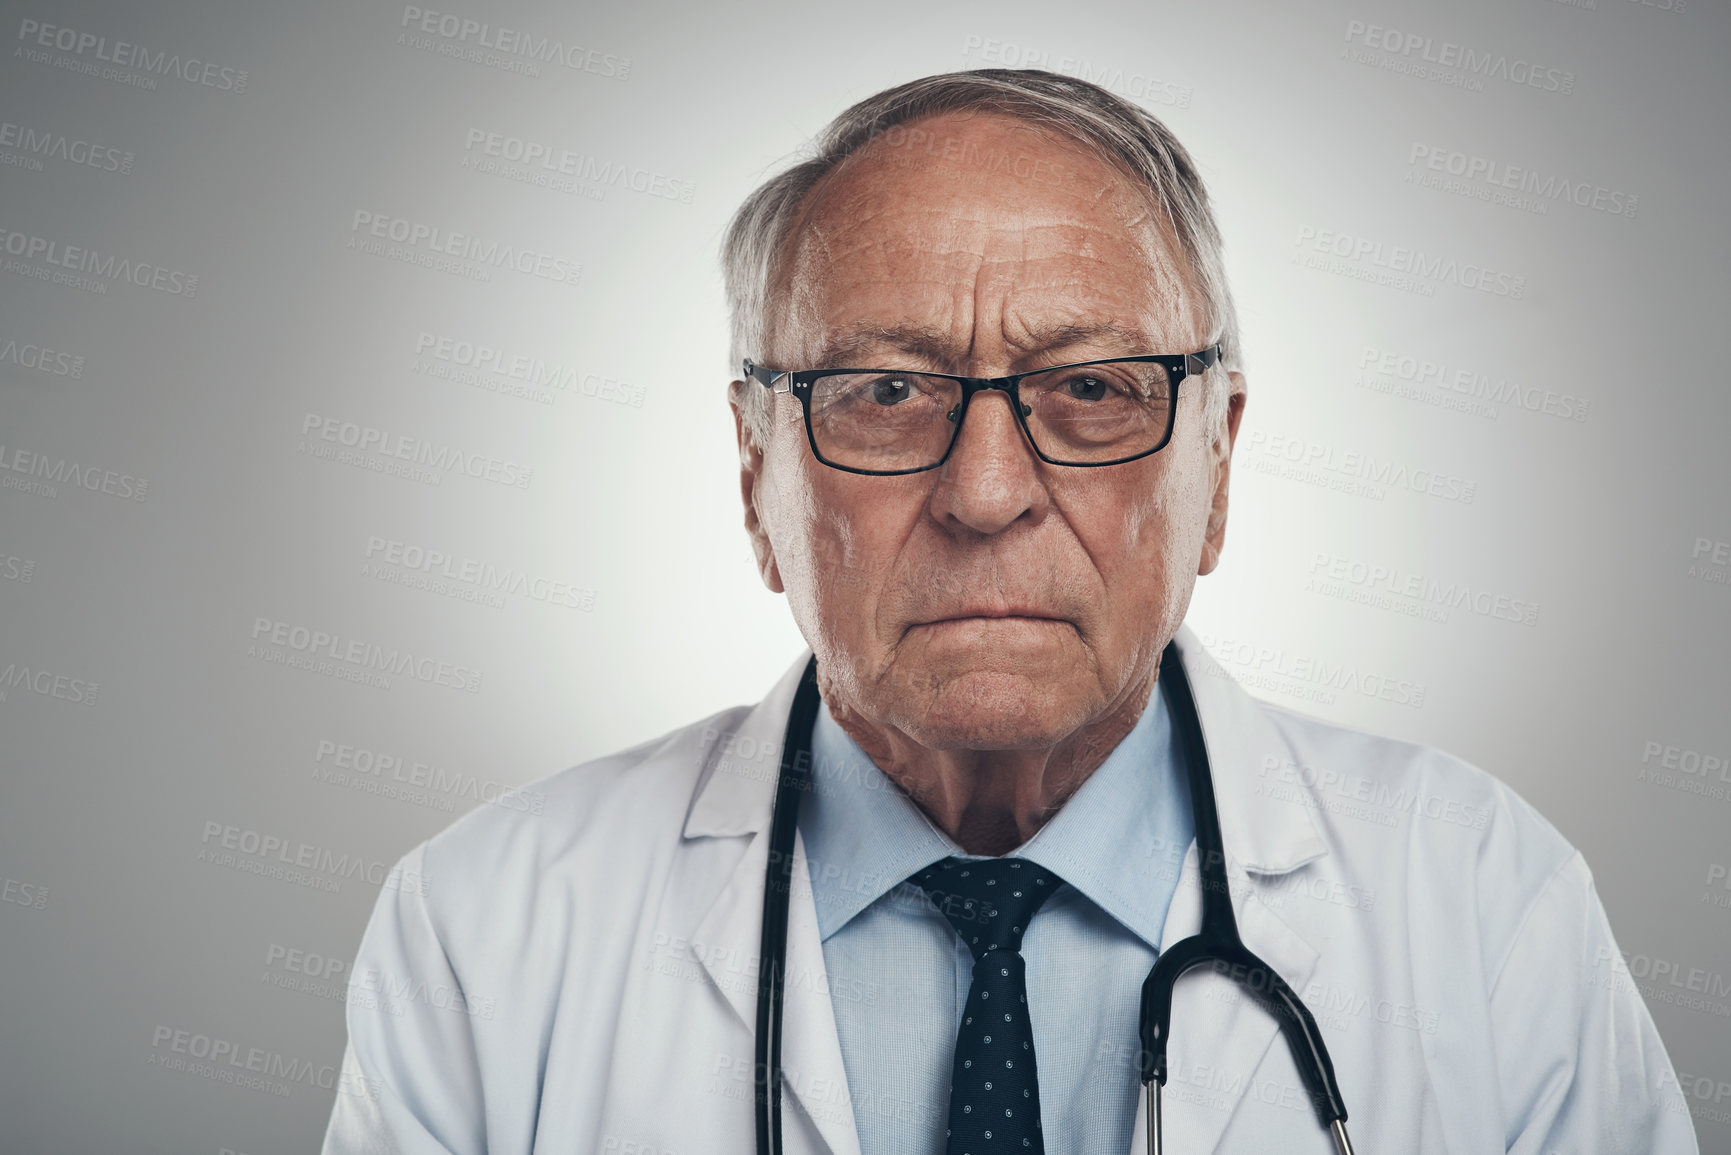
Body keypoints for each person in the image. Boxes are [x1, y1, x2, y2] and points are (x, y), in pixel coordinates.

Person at [321, 70, 1698, 1155]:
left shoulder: (1486, 906)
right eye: (884, 391)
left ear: (1215, 468)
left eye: (1093, 389)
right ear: (758, 480)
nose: (986, 494)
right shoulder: (487, 930)